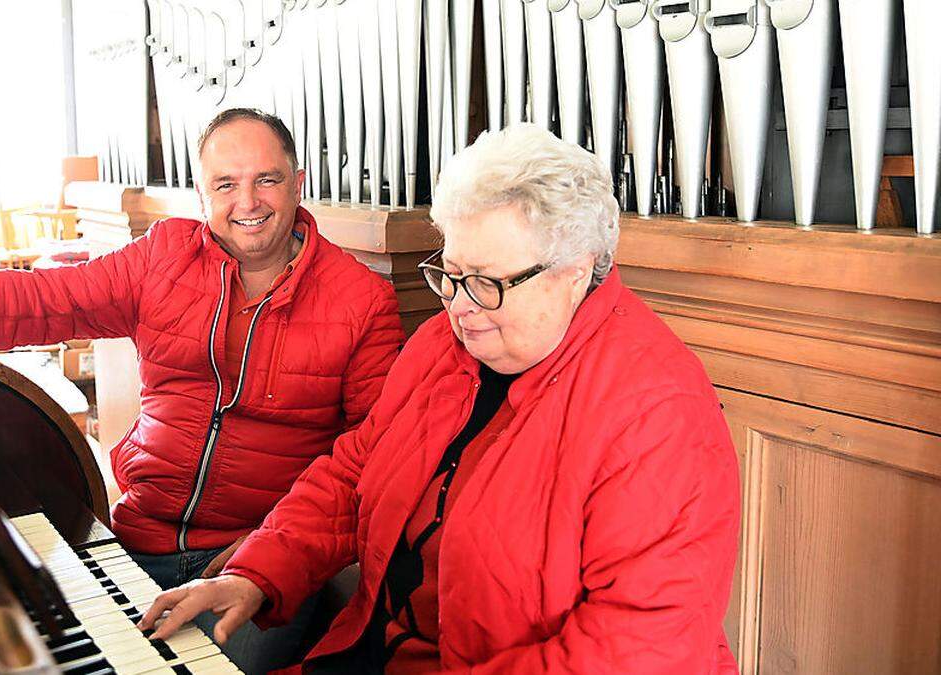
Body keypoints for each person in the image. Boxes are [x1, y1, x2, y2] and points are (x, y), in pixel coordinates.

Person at [0, 108, 404, 673]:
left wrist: (266, 555)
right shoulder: (164, 256)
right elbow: (37, 299)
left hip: (254, 564)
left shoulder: (363, 300)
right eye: (225, 184)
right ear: (201, 194)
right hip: (136, 537)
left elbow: (366, 464)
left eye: (266, 179)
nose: (248, 201)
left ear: (298, 182)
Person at [138, 124, 741, 674]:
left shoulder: (658, 412)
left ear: (575, 272)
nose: (460, 306)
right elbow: (354, 474)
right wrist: (259, 572)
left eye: (488, 282)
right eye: (450, 274)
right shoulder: (442, 344)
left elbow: (640, 649)